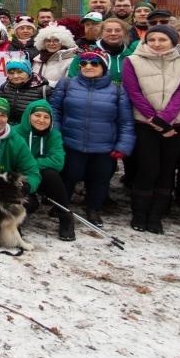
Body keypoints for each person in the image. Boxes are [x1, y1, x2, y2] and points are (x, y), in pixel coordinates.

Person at [50, 50, 134, 226]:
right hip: (71, 141)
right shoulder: (66, 84)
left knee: (99, 179)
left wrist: (123, 145)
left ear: (103, 67)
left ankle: (94, 208)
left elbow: (125, 121)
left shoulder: (117, 91)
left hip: (103, 146)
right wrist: (56, 134)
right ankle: (61, 206)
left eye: (94, 63)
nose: (88, 67)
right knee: (69, 176)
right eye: (84, 63)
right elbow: (54, 111)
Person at [121, 25, 180, 234]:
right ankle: (140, 213)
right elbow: (133, 92)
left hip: (176, 123)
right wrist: (154, 119)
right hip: (145, 123)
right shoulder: (132, 61)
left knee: (167, 171)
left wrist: (166, 120)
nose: (157, 44)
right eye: (152, 40)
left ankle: (156, 216)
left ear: (172, 42)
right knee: (147, 169)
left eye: (163, 40)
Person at [10, 99, 72, 240]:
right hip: (21, 177)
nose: (41, 120)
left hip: (41, 175)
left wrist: (29, 164)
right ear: (28, 116)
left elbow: (58, 161)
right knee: (31, 205)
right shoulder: (14, 133)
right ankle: (14, 219)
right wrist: (28, 167)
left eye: (46, 117)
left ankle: (65, 217)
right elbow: (12, 161)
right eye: (37, 115)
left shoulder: (54, 135)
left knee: (51, 174)